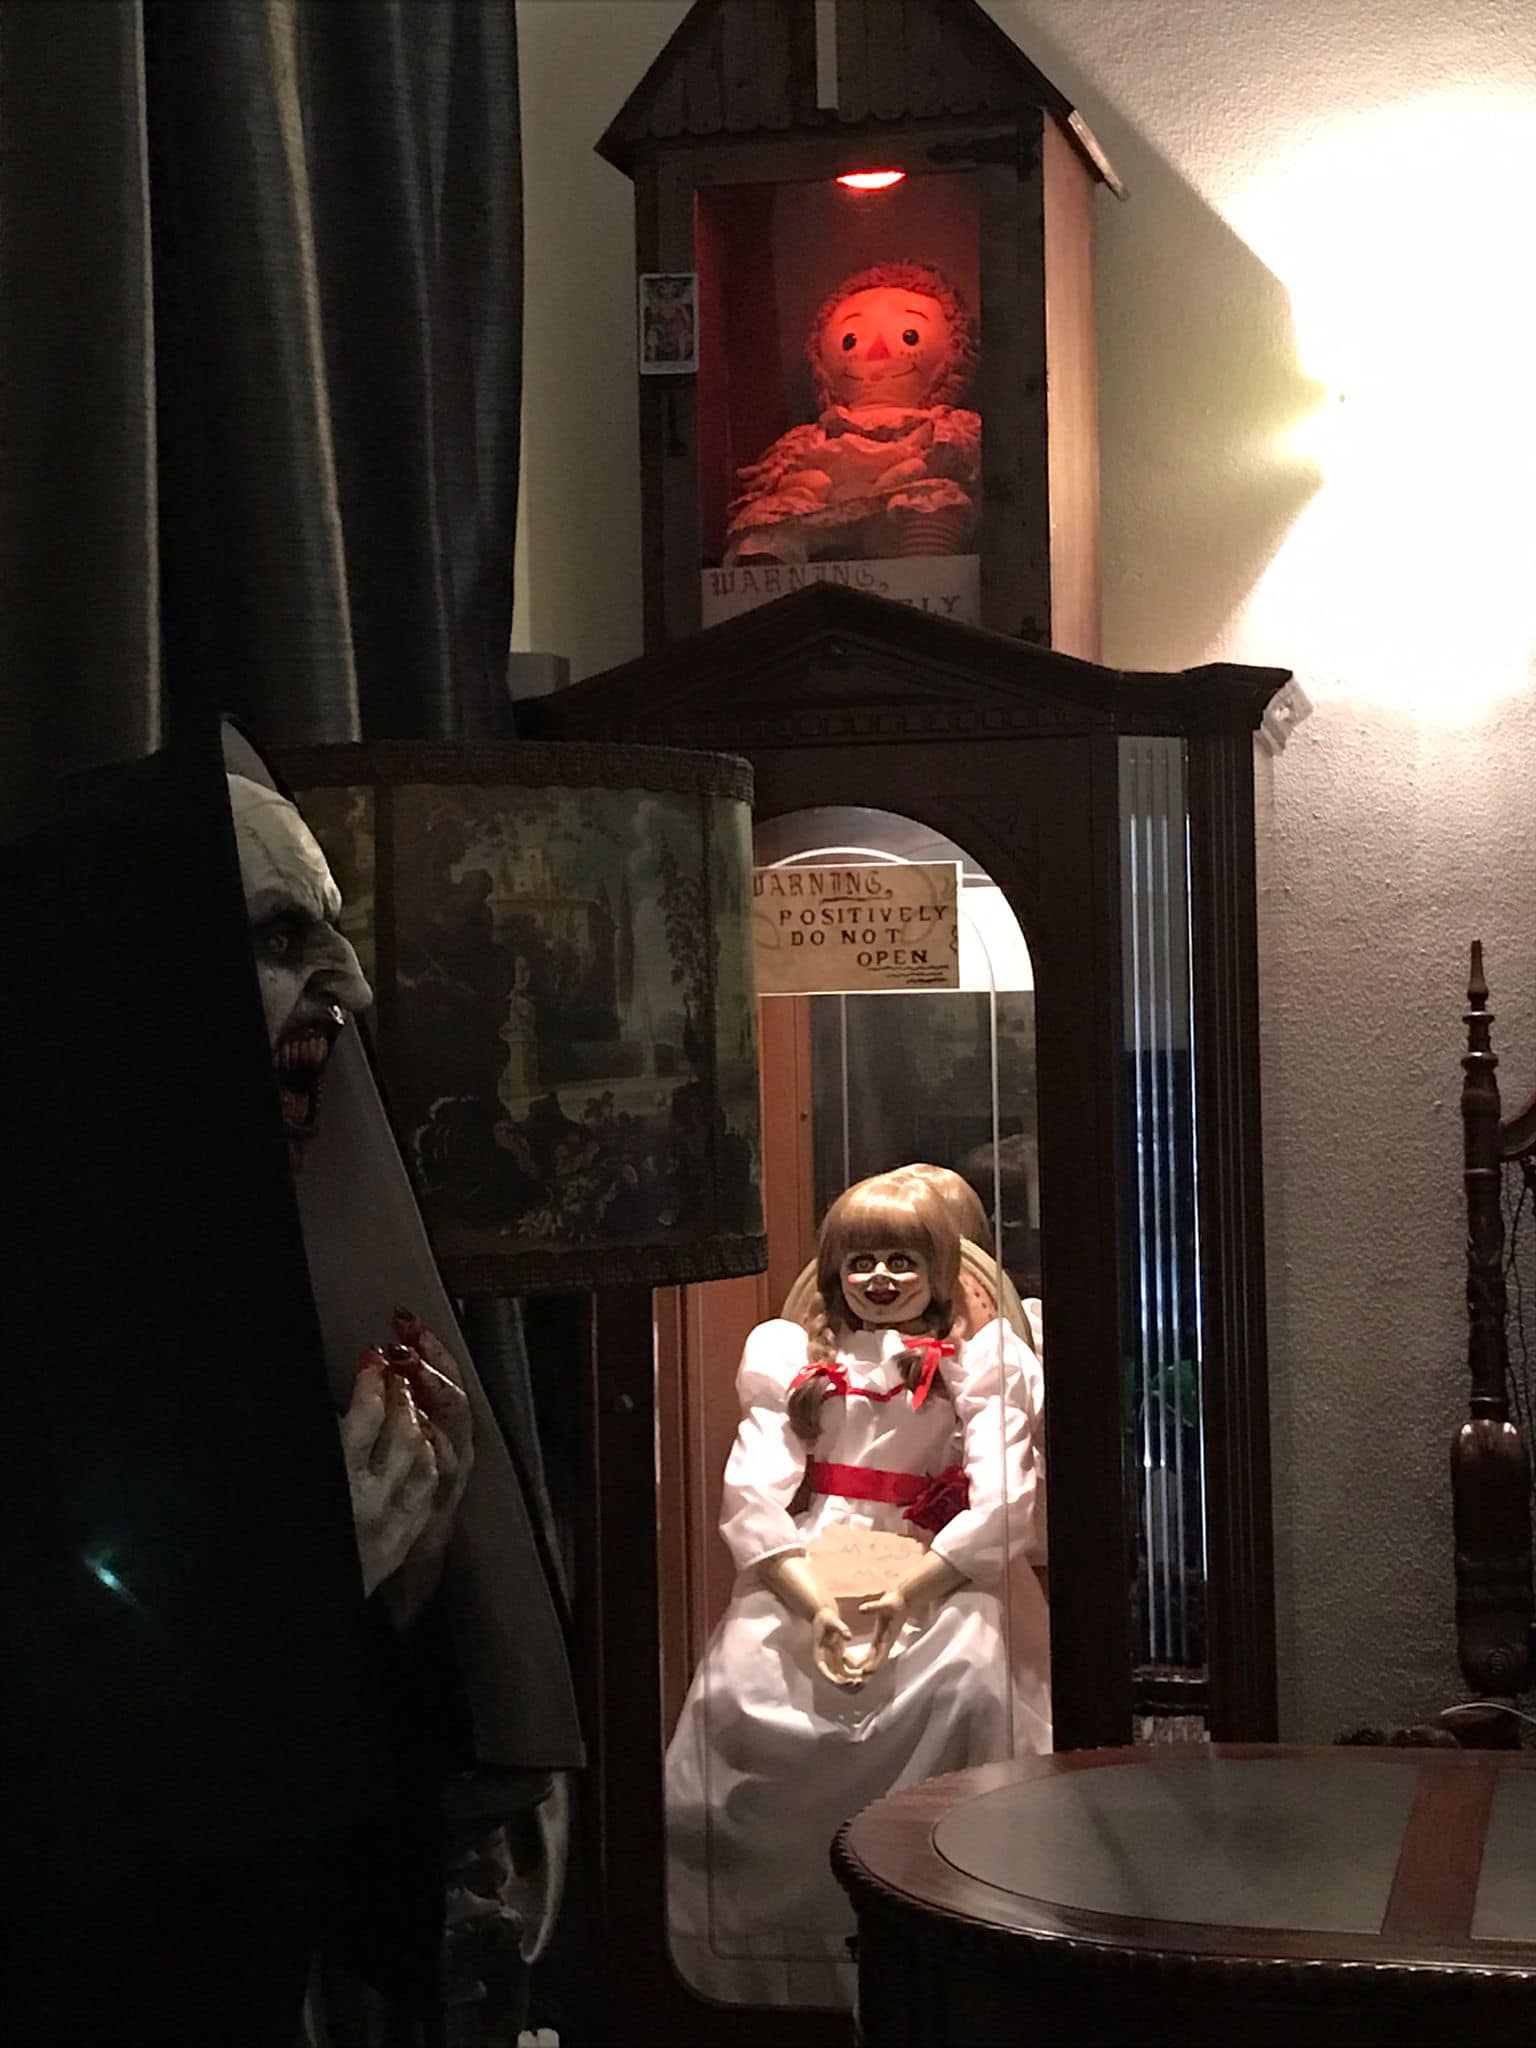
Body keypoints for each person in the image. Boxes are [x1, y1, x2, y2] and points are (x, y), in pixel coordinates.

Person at [1, 728, 582, 2045]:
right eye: (280, 937)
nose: (353, 987)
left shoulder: (249, 1283)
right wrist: (300, 1594)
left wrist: (397, 1586)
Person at [664, 1172, 1048, 2011]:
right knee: (739, 1688)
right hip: (816, 1557)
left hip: (935, 1555)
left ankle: (951, 1954)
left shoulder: (980, 1362)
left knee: (968, 1682)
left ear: (938, 1270)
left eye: (902, 1261)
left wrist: (916, 1589)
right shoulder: (793, 1356)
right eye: (861, 1261)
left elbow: (1005, 1499)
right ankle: (768, 1964)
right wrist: (809, 1599)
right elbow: (753, 1492)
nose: (880, 1278)